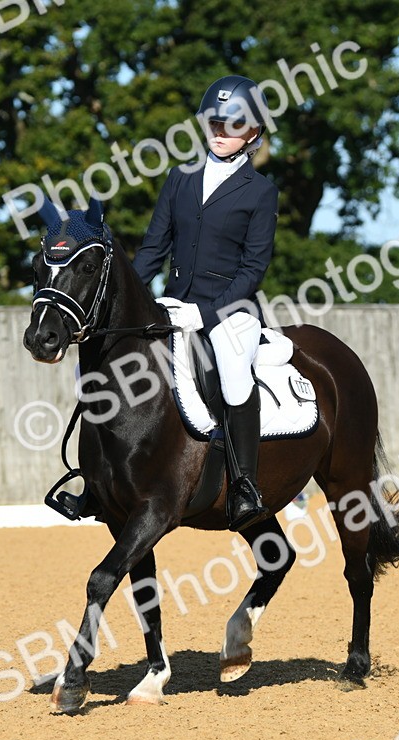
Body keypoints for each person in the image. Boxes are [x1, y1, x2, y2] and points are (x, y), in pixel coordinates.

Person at [132, 74, 280, 532]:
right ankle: (99, 478)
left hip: (230, 312)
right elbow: (153, 250)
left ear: (252, 133)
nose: (220, 131)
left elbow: (253, 270)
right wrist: (130, 301)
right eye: (213, 122)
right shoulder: (180, 178)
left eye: (232, 125)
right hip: (173, 304)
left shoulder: (259, 191)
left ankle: (244, 486)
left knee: (235, 370)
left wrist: (207, 312)